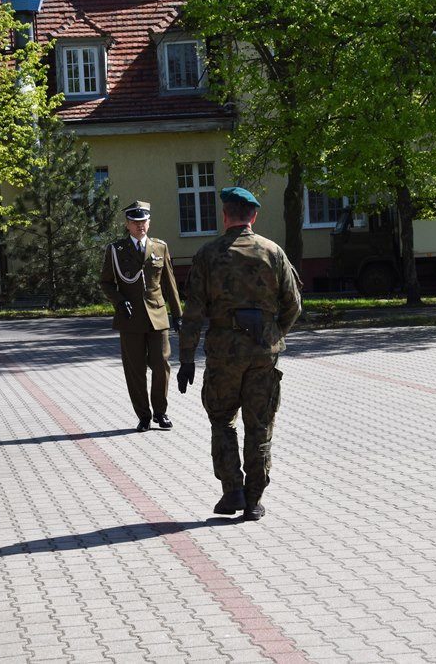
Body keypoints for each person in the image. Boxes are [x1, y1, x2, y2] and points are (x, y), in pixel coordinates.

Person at [177, 187, 301, 522]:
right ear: (254, 217)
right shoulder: (273, 252)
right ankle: (254, 499)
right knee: (259, 425)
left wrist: (185, 357)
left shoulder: (207, 254)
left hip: (223, 355)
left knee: (222, 420)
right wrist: (273, 336)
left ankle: (232, 490)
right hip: (263, 354)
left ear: (225, 215)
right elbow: (293, 305)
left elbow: (193, 312)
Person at [99, 201, 183, 432]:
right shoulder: (116, 250)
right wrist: (119, 300)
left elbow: (170, 284)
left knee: (161, 365)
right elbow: (106, 282)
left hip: (157, 316)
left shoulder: (159, 247)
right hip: (131, 319)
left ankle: (161, 412)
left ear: (149, 222)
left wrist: (178, 314)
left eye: (143, 221)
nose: (140, 226)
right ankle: (144, 416)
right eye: (135, 222)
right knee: (135, 370)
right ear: (127, 224)